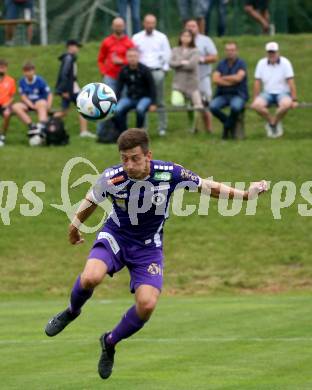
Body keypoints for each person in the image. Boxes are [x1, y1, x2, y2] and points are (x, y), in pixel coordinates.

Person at [44, 128, 268, 380]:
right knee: (90, 278)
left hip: (148, 248)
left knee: (147, 305)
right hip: (115, 237)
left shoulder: (170, 173)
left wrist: (247, 196)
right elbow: (91, 200)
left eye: (135, 158)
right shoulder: (112, 177)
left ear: (148, 155)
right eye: (124, 158)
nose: (129, 164)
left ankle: (110, 342)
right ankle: (71, 312)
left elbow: (208, 187)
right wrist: (74, 227)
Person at [132, 14, 171, 136]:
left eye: (152, 23)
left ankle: (162, 127)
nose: (150, 25)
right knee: (143, 99)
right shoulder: (136, 37)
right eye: (148, 23)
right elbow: (133, 53)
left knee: (159, 99)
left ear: (155, 24)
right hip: (142, 73)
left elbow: (167, 54)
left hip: (157, 71)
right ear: (144, 23)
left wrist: (164, 70)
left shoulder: (161, 37)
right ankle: (143, 127)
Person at [251, 42, 298, 138]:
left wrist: (294, 99)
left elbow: (291, 81)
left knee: (286, 105)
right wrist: (255, 98)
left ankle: (273, 123)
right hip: (267, 93)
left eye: (273, 52)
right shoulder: (261, 63)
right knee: (256, 105)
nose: (271, 55)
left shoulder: (285, 62)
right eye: (269, 52)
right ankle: (272, 122)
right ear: (266, 53)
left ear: (278, 52)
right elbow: (257, 82)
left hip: (283, 93)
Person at [54, 39, 95, 138]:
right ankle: (49, 124)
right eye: (76, 46)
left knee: (69, 110)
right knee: (69, 111)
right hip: (69, 89)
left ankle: (83, 131)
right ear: (70, 47)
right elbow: (64, 75)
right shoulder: (68, 58)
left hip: (73, 88)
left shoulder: (70, 58)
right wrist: (64, 91)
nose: (77, 49)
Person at [185, 18, 218, 132]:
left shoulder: (206, 40)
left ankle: (209, 128)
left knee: (205, 103)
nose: (191, 28)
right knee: (190, 104)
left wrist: (201, 59)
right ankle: (193, 128)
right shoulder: (183, 41)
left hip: (203, 77)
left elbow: (214, 57)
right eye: (188, 26)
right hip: (188, 78)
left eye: (193, 26)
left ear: (198, 28)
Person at [210, 42, 248, 139]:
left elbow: (239, 78)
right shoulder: (221, 64)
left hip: (238, 94)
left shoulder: (241, 63)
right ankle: (229, 123)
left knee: (235, 107)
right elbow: (215, 79)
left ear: (236, 51)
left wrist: (223, 78)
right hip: (223, 94)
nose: (230, 52)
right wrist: (231, 81)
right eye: (228, 50)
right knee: (213, 107)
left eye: (232, 50)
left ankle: (227, 128)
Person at [114, 48, 157, 134]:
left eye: (134, 56)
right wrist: (115, 101)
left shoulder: (145, 70)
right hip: (130, 98)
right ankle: (124, 133)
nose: (132, 58)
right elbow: (119, 87)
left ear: (138, 57)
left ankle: (137, 133)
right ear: (126, 57)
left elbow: (152, 87)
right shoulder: (124, 70)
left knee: (140, 109)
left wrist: (153, 103)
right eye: (130, 56)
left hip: (144, 98)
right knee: (117, 110)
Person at [169, 29, 203, 132]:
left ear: (192, 38)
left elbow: (192, 65)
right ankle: (187, 105)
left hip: (192, 83)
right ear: (180, 37)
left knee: (198, 107)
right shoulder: (175, 50)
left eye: (188, 36)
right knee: (176, 102)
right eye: (183, 36)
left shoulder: (195, 51)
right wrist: (183, 62)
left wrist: (178, 64)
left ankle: (194, 128)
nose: (185, 38)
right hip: (178, 83)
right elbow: (171, 63)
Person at [12, 62, 53, 135]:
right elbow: (23, 96)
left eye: (29, 71)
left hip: (39, 102)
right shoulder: (22, 81)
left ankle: (42, 125)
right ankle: (31, 125)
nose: (28, 73)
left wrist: (49, 105)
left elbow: (49, 93)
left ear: (34, 71)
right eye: (26, 71)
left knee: (42, 103)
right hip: (28, 103)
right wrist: (31, 105)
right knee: (15, 106)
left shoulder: (40, 80)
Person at [97, 17, 134, 92]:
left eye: (120, 26)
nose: (118, 28)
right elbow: (100, 59)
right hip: (110, 76)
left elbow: (133, 60)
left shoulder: (129, 42)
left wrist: (122, 62)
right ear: (112, 26)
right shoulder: (106, 41)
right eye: (116, 26)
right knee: (109, 99)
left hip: (125, 76)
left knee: (124, 100)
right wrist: (103, 72)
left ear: (124, 27)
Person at [0, 59, 16, 147]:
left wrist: (8, 103)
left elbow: (13, 96)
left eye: (3, 67)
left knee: (7, 114)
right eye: (0, 67)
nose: (1, 69)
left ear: (6, 68)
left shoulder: (11, 80)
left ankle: (2, 135)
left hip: (6, 104)